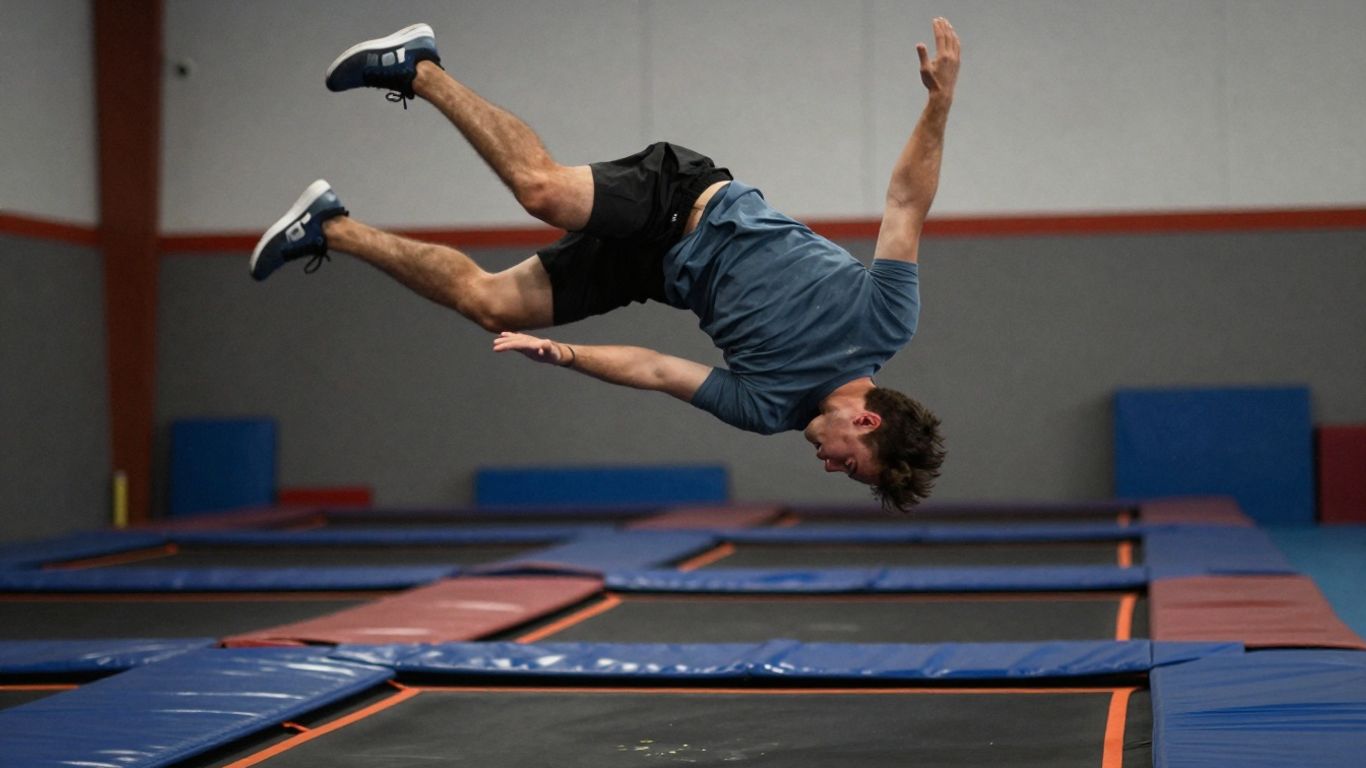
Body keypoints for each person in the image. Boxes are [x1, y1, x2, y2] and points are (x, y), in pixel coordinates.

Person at [251, 19, 959, 510]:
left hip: (654, 271)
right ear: (865, 423)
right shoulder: (887, 318)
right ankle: (422, 67)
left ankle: (332, 228)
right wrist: (939, 106)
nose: (830, 465)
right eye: (849, 463)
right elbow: (904, 203)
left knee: (492, 305)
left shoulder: (770, 409)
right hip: (687, 199)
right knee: (543, 191)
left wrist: (564, 353)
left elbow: (656, 370)